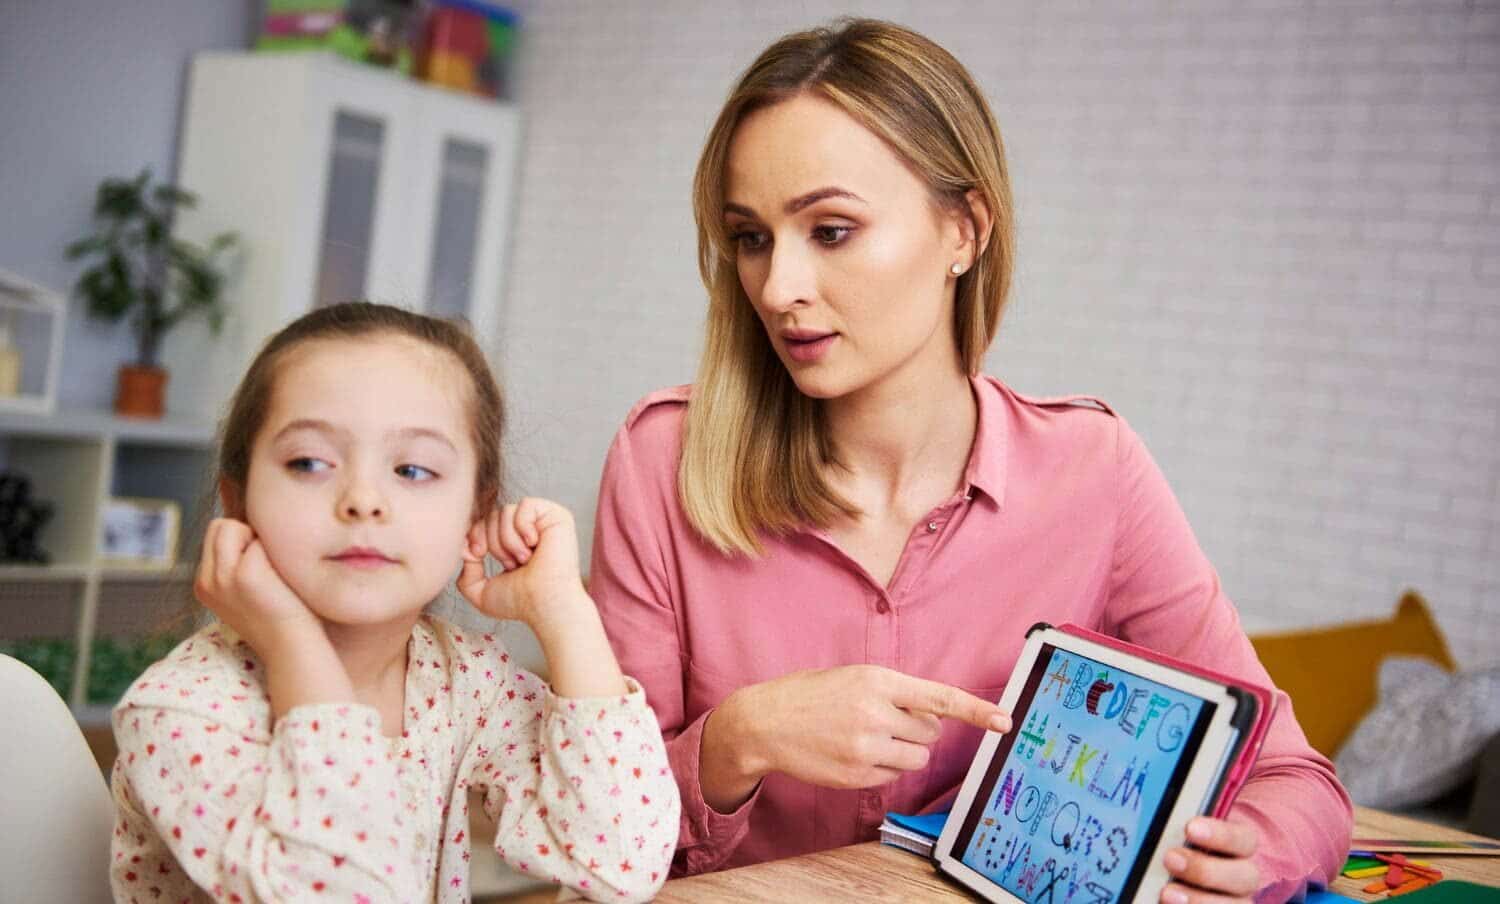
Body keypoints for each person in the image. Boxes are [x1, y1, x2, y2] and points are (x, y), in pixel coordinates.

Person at [589, 18, 1352, 903]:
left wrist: (1242, 855)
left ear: (964, 229)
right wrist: (738, 740)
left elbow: (1300, 783)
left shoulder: (1091, 469)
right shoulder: (661, 461)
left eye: (829, 231)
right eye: (751, 237)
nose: (776, 287)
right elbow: (591, 833)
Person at [110, 302, 678, 903]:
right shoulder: (184, 711)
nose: (363, 500)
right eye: (309, 462)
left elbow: (621, 861)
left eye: (412, 469)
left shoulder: (464, 682)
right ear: (239, 502)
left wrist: (563, 610)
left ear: (474, 518)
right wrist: (292, 640)